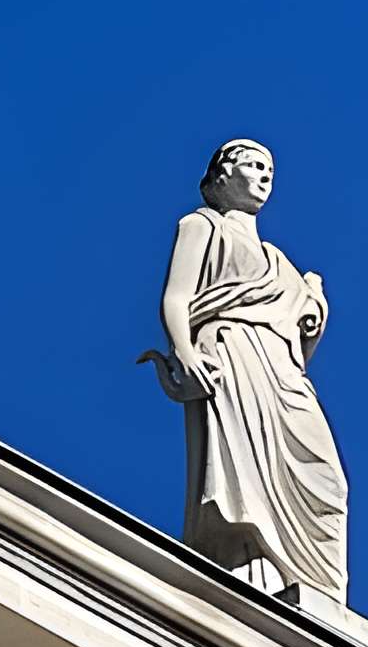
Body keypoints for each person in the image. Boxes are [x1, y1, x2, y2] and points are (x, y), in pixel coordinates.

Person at [147, 141, 349, 605]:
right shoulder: (202, 225)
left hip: (282, 370)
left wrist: (313, 310)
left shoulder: (279, 260)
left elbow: (301, 340)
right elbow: (177, 297)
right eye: (253, 166)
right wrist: (184, 351)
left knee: (327, 480)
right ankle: (255, 571)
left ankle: (316, 590)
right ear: (223, 174)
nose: (263, 176)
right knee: (246, 483)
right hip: (232, 356)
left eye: (270, 169)